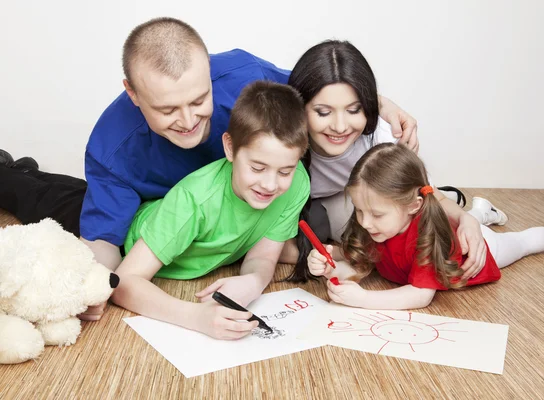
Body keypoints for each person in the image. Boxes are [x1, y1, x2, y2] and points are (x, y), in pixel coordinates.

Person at [0, 18, 417, 320]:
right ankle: (11, 172)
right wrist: (96, 285)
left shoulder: (244, 79)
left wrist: (381, 105)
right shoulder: (112, 146)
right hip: (162, 210)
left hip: (229, 202)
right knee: (57, 201)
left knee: (308, 222)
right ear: (133, 93)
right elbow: (110, 249)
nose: (187, 119)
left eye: (199, 100)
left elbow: (321, 86)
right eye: (167, 109)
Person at [284, 40, 501, 281]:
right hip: (331, 202)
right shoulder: (283, 141)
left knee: (406, 236)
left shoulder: (381, 138)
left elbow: (432, 197)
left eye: (354, 110)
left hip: (370, 199)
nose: (340, 126)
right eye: (323, 113)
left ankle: (478, 212)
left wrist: (466, 218)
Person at [111, 81, 309, 339]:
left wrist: (254, 281)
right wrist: (196, 317)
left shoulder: (298, 182)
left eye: (284, 171)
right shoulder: (193, 200)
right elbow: (122, 282)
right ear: (229, 148)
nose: (271, 184)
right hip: (130, 233)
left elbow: (264, 256)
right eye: (257, 168)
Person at [306, 143, 544, 310]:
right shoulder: (378, 224)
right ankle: (480, 211)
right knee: (463, 218)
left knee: (522, 243)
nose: (364, 222)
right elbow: (354, 260)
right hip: (449, 223)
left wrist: (364, 299)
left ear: (413, 206)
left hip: (478, 247)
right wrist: (328, 263)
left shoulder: (426, 235)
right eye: (360, 210)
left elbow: (421, 295)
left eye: (376, 214)